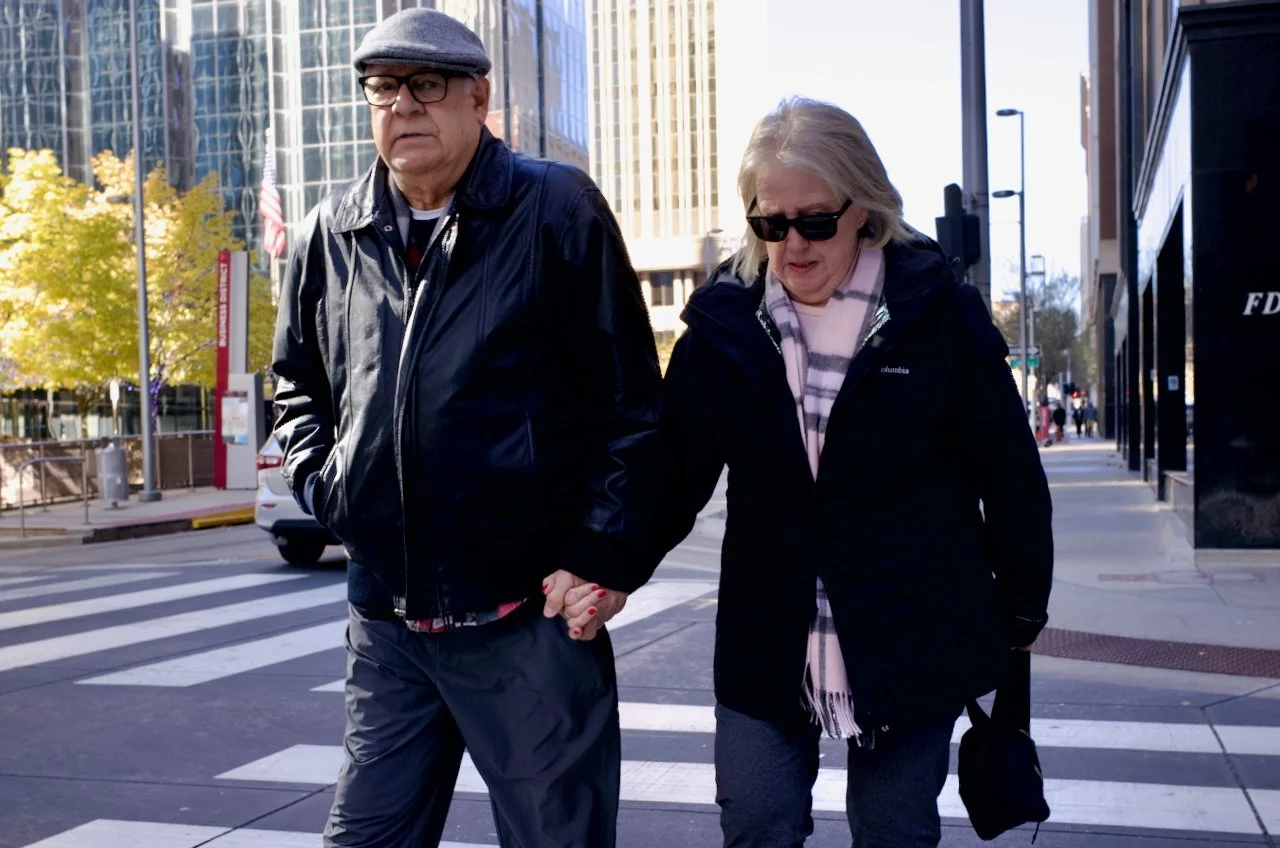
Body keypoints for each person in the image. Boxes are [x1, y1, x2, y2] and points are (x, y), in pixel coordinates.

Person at [270, 9, 663, 847]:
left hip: (527, 622)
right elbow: (297, 387)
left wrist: (601, 554)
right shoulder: (329, 232)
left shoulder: (555, 208)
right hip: (388, 623)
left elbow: (630, 402)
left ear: (478, 98)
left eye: (426, 85)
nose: (402, 106)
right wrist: (332, 490)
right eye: (382, 88)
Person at [630, 98, 1054, 848]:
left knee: (893, 831)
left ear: (865, 209)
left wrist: (1021, 609)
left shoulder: (938, 315)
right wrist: (603, 568)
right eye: (771, 224)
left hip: (909, 632)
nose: (793, 244)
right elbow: (670, 476)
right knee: (757, 822)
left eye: (816, 221)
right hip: (769, 636)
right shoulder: (725, 327)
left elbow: (1010, 474)